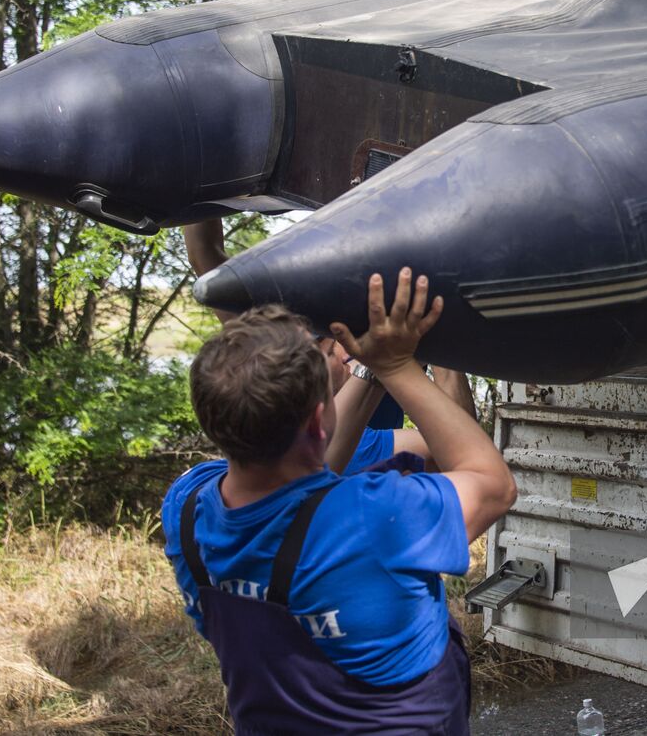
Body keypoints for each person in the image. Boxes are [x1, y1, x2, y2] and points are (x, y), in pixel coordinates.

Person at [162, 268, 517, 733]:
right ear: (316, 421)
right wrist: (398, 365)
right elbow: (493, 484)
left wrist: (370, 369)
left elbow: (308, 471)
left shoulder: (185, 508)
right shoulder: (372, 520)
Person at [184, 217, 471, 469]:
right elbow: (461, 453)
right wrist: (435, 333)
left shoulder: (195, 487)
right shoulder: (358, 448)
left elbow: (204, 257)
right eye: (329, 349)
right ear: (315, 406)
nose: (345, 347)